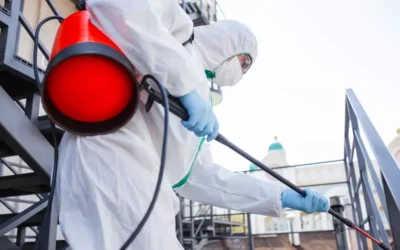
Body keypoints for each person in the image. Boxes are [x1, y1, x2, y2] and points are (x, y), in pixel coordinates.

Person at [55, 1, 329, 250]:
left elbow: (200, 176)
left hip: (144, 184)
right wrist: (184, 87)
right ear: (227, 41)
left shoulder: (198, 89)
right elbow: (123, 6)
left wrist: (279, 196)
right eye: (243, 62)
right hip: (111, 157)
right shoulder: (179, 31)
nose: (240, 73)